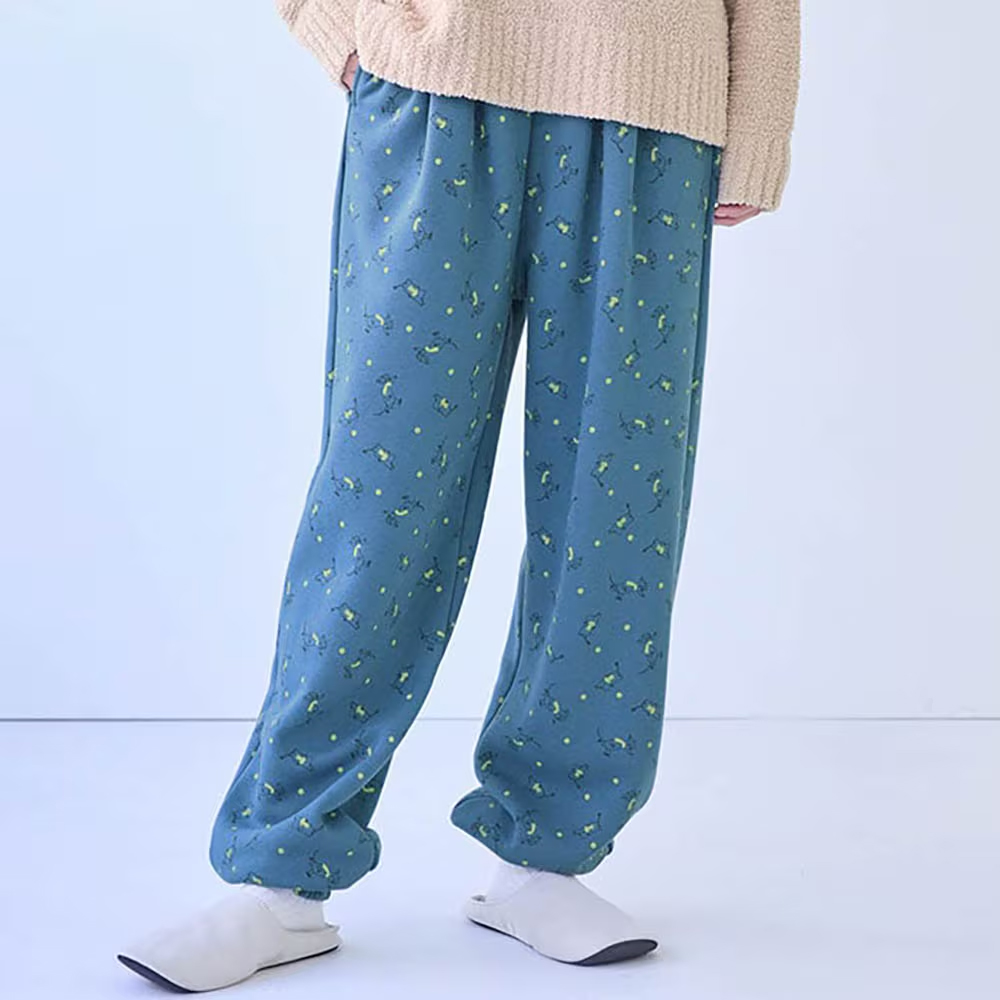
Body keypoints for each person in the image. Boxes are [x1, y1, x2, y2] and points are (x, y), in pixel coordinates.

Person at [117, 0, 800, 990]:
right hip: (438, 85)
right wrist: (335, 22)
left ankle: (544, 859)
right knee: (379, 495)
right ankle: (281, 874)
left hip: (655, 109)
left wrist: (758, 125)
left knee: (617, 509)